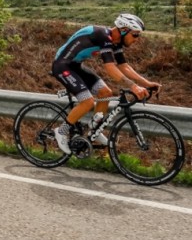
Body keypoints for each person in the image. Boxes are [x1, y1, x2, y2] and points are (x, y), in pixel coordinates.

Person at [51, 13, 160, 152]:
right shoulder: (103, 35)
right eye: (135, 35)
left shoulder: (116, 42)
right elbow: (109, 67)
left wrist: (146, 83)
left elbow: (124, 66)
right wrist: (133, 86)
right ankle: (61, 132)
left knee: (105, 92)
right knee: (87, 101)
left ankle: (94, 131)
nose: (137, 39)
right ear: (124, 29)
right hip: (62, 65)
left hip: (76, 66)